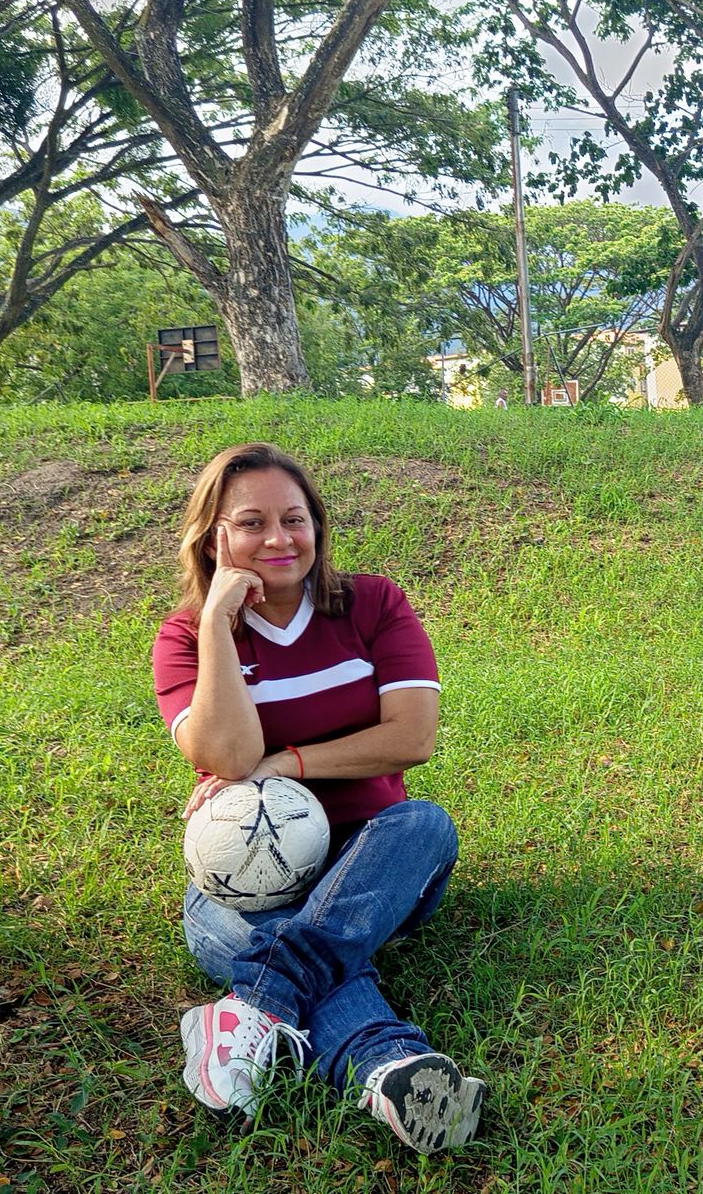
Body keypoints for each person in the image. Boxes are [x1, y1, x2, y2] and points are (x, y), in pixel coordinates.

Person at [152, 442, 484, 1152]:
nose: (278, 538)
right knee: (307, 943)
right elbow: (229, 757)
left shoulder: (370, 604)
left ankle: (253, 1005)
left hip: (376, 862)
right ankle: (389, 1068)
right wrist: (217, 622)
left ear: (318, 526)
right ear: (214, 538)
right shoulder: (184, 637)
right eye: (250, 523)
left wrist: (289, 763)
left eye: (294, 519)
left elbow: (412, 737)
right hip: (244, 885)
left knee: (424, 823)